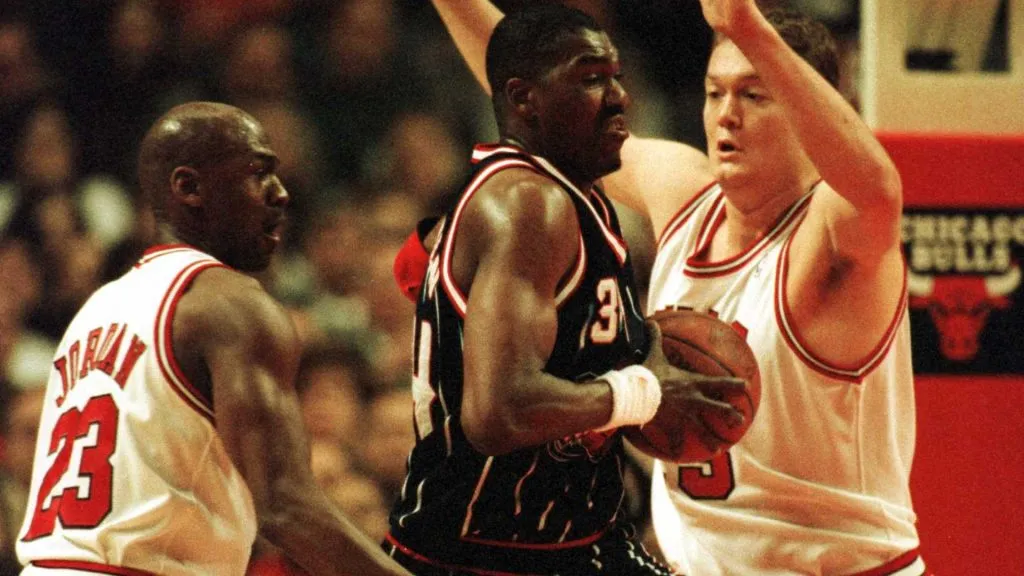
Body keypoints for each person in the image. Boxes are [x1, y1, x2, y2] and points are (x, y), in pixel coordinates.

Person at [404, 0, 928, 574]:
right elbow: (542, 96)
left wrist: (747, 27)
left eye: (755, 95)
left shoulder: (833, 233)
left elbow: (879, 188)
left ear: (812, 109)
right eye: (714, 93)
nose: (727, 115)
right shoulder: (684, 192)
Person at [382, 6, 747, 576]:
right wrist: (646, 392)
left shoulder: (573, 193)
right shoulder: (529, 202)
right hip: (483, 557)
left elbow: (415, 270)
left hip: (579, 543)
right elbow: (497, 412)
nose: (620, 97)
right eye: (592, 78)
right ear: (524, 99)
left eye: (617, 76)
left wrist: (636, 349)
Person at [14, 101, 410, 576]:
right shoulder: (229, 304)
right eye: (258, 173)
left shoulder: (98, 308)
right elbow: (287, 507)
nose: (280, 193)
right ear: (189, 187)